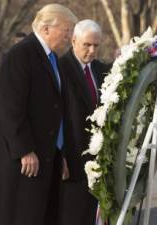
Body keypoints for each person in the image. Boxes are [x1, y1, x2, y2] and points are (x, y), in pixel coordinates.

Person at [0, 4, 77, 225]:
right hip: (21, 157)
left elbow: (57, 109)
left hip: (47, 154)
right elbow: (10, 107)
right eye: (67, 30)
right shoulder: (21, 54)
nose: (69, 37)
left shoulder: (53, 59)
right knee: (17, 214)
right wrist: (25, 150)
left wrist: (61, 154)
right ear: (47, 28)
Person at [58, 19, 111, 225]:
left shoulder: (101, 70)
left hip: (98, 159)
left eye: (96, 46)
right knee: (71, 215)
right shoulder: (61, 68)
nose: (91, 50)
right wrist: (60, 155)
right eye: (86, 45)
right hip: (71, 157)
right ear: (73, 41)